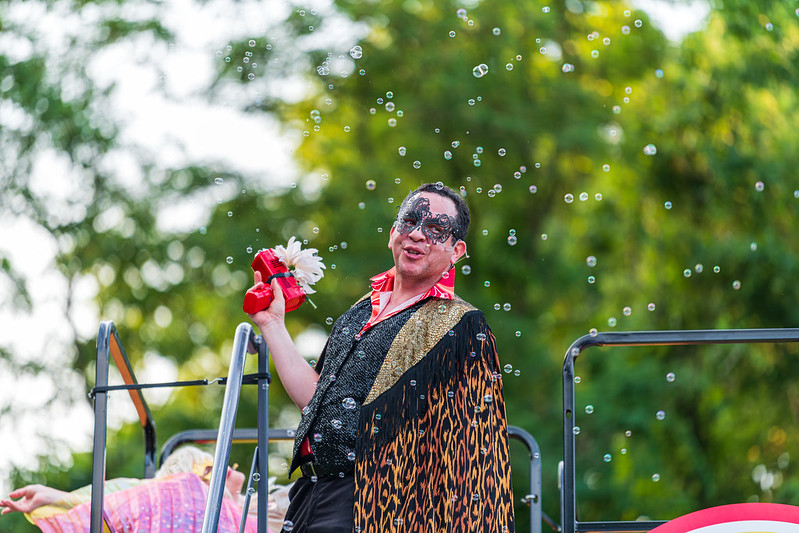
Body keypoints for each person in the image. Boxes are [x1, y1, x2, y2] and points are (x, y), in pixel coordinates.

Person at [248, 183, 515, 532]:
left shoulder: (459, 324)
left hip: (380, 503)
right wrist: (273, 325)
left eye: (436, 229)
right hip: (310, 493)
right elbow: (318, 403)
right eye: (410, 221)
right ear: (392, 234)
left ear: (456, 250)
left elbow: (473, 451)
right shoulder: (359, 312)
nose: (418, 234)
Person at [1, 445, 289, 532]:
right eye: (207, 467)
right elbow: (122, 500)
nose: (223, 467)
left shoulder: (267, 505)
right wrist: (56, 497)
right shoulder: (185, 498)